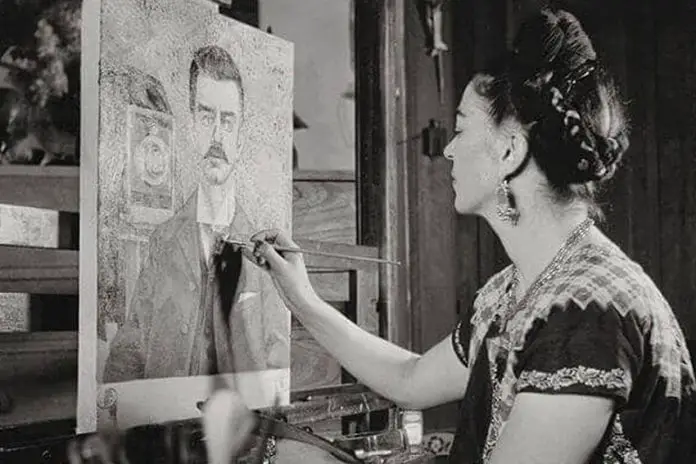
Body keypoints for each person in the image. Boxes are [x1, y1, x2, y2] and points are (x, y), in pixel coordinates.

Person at [246, 9, 696, 464]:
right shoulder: (514, 291)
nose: (447, 148)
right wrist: (301, 298)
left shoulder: (589, 311)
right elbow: (411, 379)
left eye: (461, 129)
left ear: (508, 151)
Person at [104, 45, 288, 381]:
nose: (217, 135)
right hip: (166, 427)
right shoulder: (163, 241)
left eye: (228, 121)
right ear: (191, 128)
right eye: (206, 117)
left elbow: (279, 360)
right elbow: (129, 353)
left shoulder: (266, 249)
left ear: (241, 136)